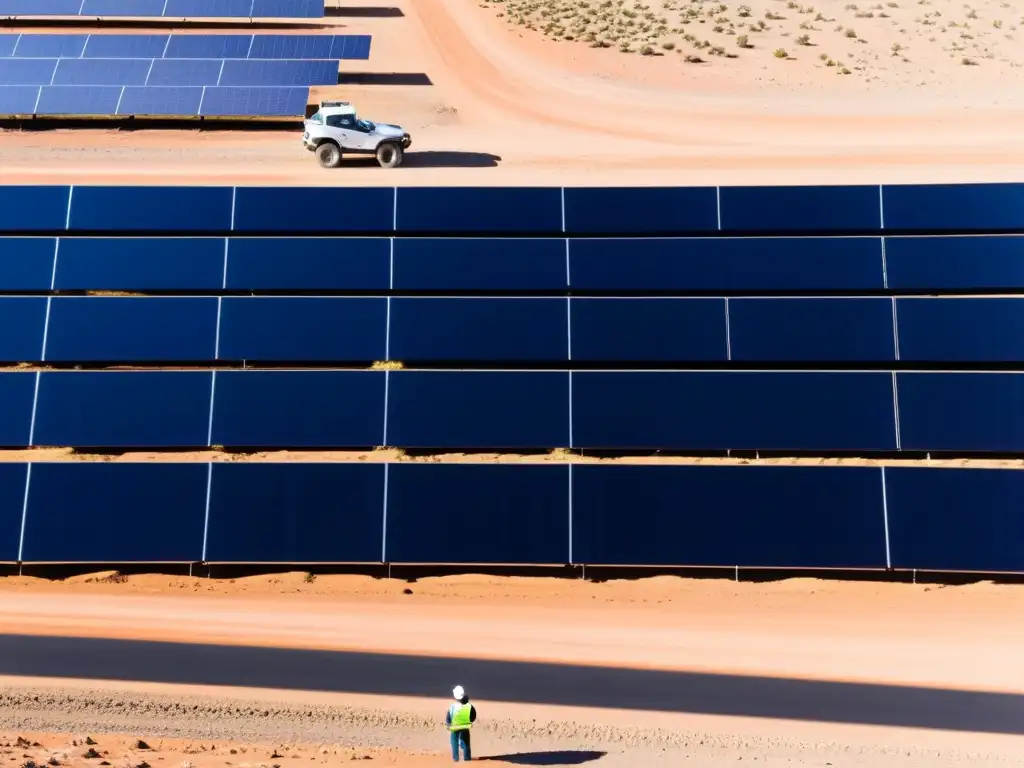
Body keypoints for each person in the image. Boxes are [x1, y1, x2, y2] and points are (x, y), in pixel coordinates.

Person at [445, 684, 477, 762]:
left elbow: (448, 717)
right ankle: (467, 758)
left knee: (454, 741)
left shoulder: (452, 706)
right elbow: (473, 715)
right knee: (466, 742)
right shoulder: (469, 706)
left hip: (455, 727)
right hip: (465, 726)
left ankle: (455, 758)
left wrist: (449, 724)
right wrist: (469, 721)